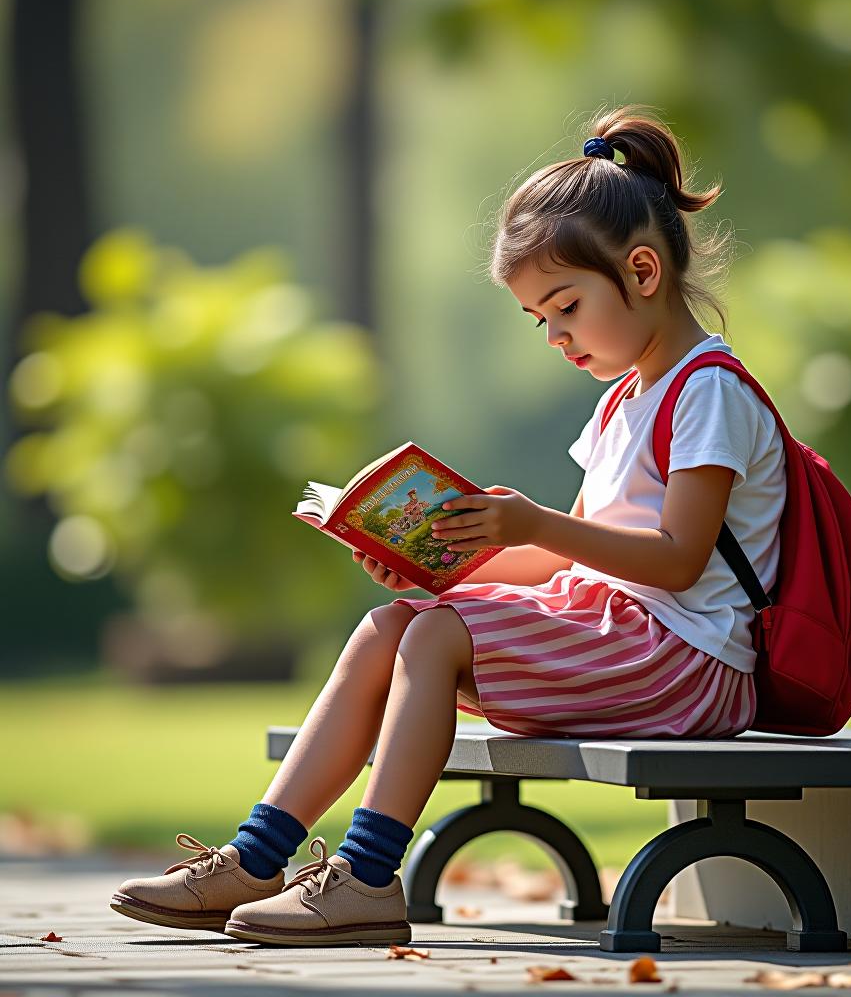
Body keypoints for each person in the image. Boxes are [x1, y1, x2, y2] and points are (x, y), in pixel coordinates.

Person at [110, 103, 786, 947]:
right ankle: (255, 858)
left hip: (687, 662)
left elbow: (677, 561)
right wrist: (441, 564)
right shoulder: (626, 400)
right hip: (621, 636)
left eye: (567, 306)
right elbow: (564, 570)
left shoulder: (708, 391)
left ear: (643, 272)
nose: (555, 335)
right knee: (393, 625)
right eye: (540, 318)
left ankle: (363, 877)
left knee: (431, 640)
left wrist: (529, 521)